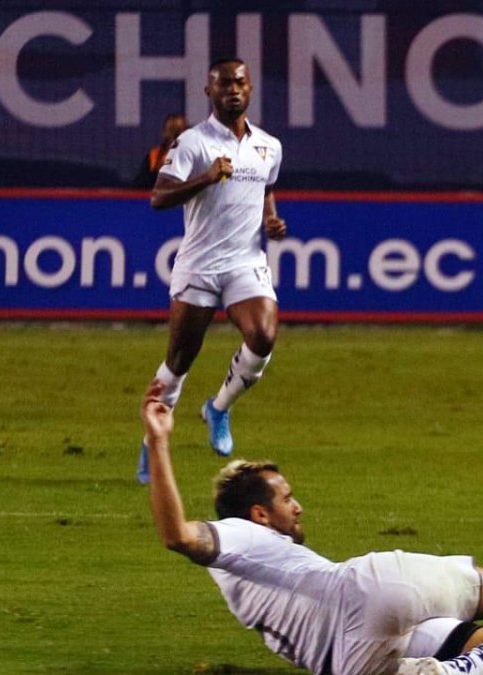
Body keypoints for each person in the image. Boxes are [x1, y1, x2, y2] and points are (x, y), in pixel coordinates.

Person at [140, 380, 483, 675]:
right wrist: (159, 444)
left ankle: (450, 671)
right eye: (286, 498)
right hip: (376, 588)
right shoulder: (239, 537)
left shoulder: (248, 573)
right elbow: (179, 535)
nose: (298, 506)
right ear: (258, 514)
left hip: (357, 640)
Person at [135, 58, 286, 483]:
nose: (232, 90)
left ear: (250, 88)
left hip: (245, 261)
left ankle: (218, 408)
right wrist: (205, 178)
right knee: (178, 361)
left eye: (239, 83)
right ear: (209, 93)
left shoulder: (269, 146)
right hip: (200, 264)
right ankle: (152, 442)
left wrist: (270, 219)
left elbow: (266, 185)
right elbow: (159, 197)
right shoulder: (192, 143)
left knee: (263, 335)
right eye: (223, 85)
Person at [134, 112, 188, 188]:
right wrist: (157, 171)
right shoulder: (154, 156)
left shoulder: (193, 156)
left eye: (178, 132)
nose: (173, 137)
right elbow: (139, 186)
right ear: (164, 132)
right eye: (170, 131)